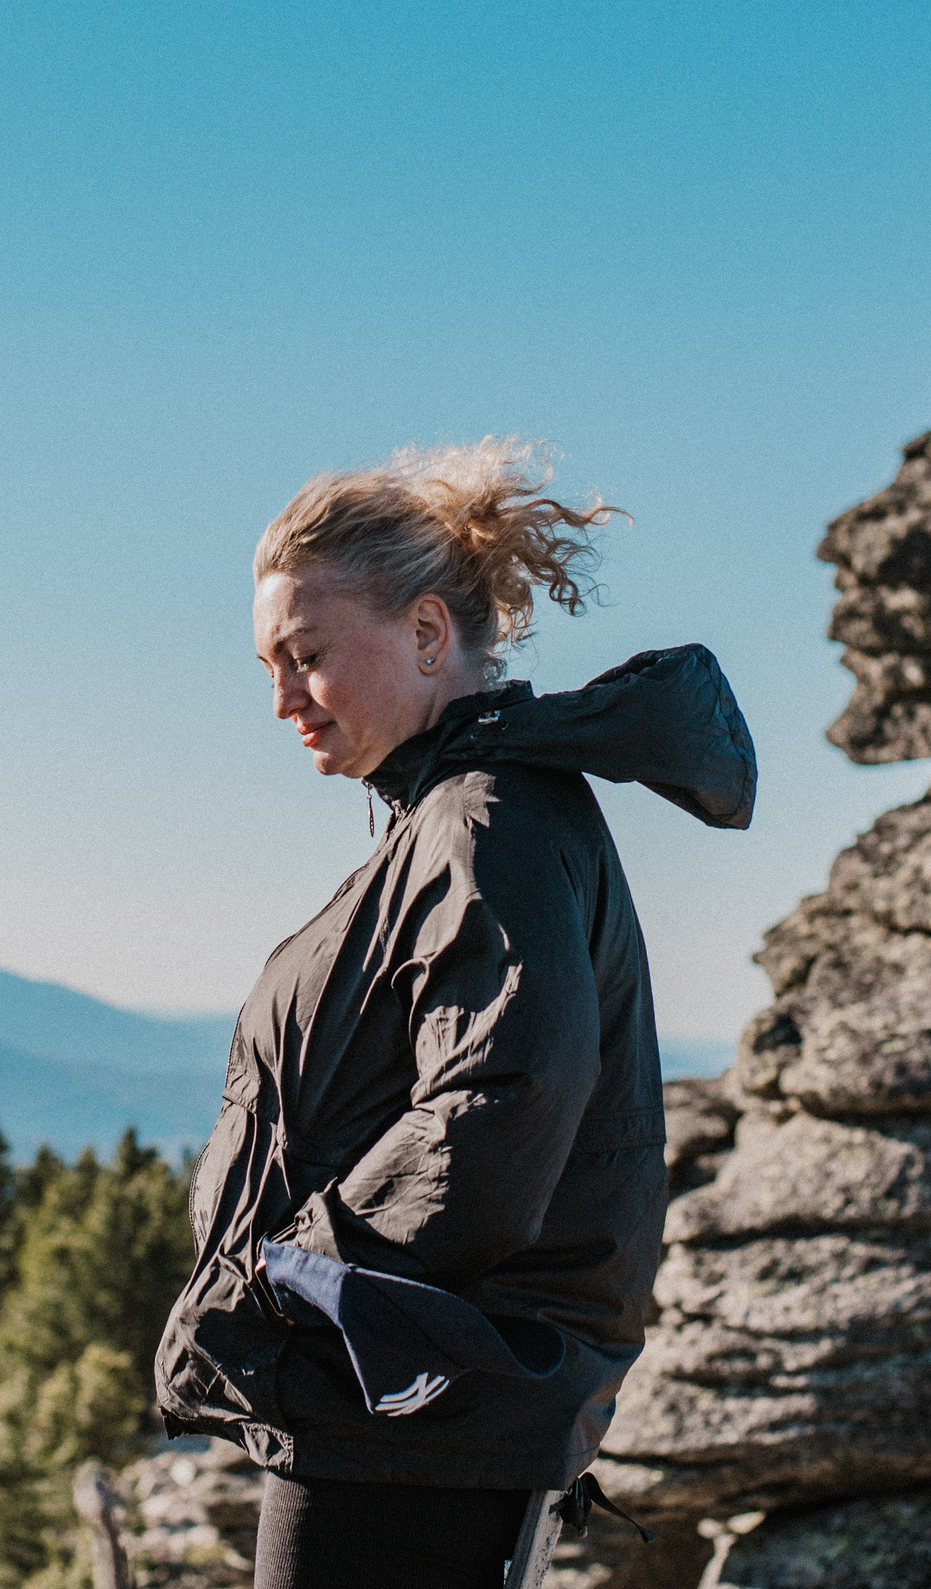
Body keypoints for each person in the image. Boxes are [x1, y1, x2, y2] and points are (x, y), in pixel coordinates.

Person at [152, 440, 757, 1589]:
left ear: (428, 634)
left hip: (418, 1417)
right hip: (415, 1404)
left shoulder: (484, 822)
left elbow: (499, 1101)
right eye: (268, 663)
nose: (280, 696)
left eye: (307, 654)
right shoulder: (452, 813)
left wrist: (286, 1276)